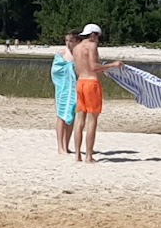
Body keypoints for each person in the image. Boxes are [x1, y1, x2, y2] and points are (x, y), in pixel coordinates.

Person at [72, 23, 125, 164]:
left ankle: (77, 155)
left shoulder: (76, 48)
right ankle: (88, 156)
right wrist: (113, 65)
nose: (98, 40)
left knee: (79, 120)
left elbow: (78, 68)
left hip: (80, 82)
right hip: (91, 83)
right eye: (98, 36)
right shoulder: (91, 46)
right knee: (92, 120)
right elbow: (94, 67)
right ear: (94, 35)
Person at [51, 33, 81, 154]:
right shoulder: (61, 54)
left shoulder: (79, 54)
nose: (68, 43)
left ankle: (67, 145)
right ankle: (60, 146)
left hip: (75, 88)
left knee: (72, 115)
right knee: (61, 115)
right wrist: (68, 69)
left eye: (71, 41)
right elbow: (55, 71)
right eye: (67, 40)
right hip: (63, 89)